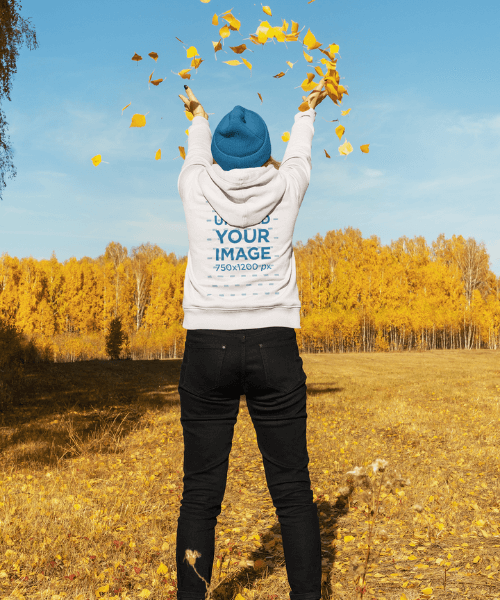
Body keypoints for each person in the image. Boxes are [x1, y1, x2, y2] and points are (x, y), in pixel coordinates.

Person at [175, 79, 328, 600]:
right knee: (292, 491)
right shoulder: (286, 185)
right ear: (266, 156)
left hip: (207, 347)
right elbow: (300, 155)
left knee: (200, 494)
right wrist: (305, 111)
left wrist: (198, 114)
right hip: (274, 345)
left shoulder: (195, 186)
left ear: (217, 155)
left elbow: (197, 149)